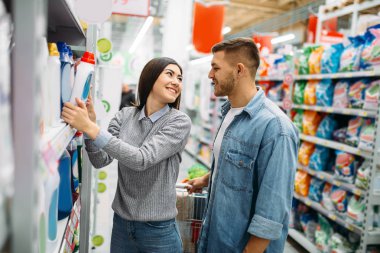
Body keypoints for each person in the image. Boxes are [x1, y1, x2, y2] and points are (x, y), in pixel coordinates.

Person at [62, 57, 191, 253]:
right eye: (170, 74)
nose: (176, 81)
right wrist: (89, 131)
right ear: (150, 77)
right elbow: (99, 160)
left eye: (180, 78)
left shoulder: (179, 122)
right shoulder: (124, 116)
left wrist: (91, 127)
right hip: (122, 225)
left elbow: (141, 159)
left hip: (158, 230)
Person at [187, 38, 299, 253]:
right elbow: (239, 165)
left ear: (239, 70)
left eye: (215, 68)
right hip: (216, 239)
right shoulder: (230, 112)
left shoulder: (276, 128)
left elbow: (272, 209)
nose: (210, 75)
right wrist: (206, 179)